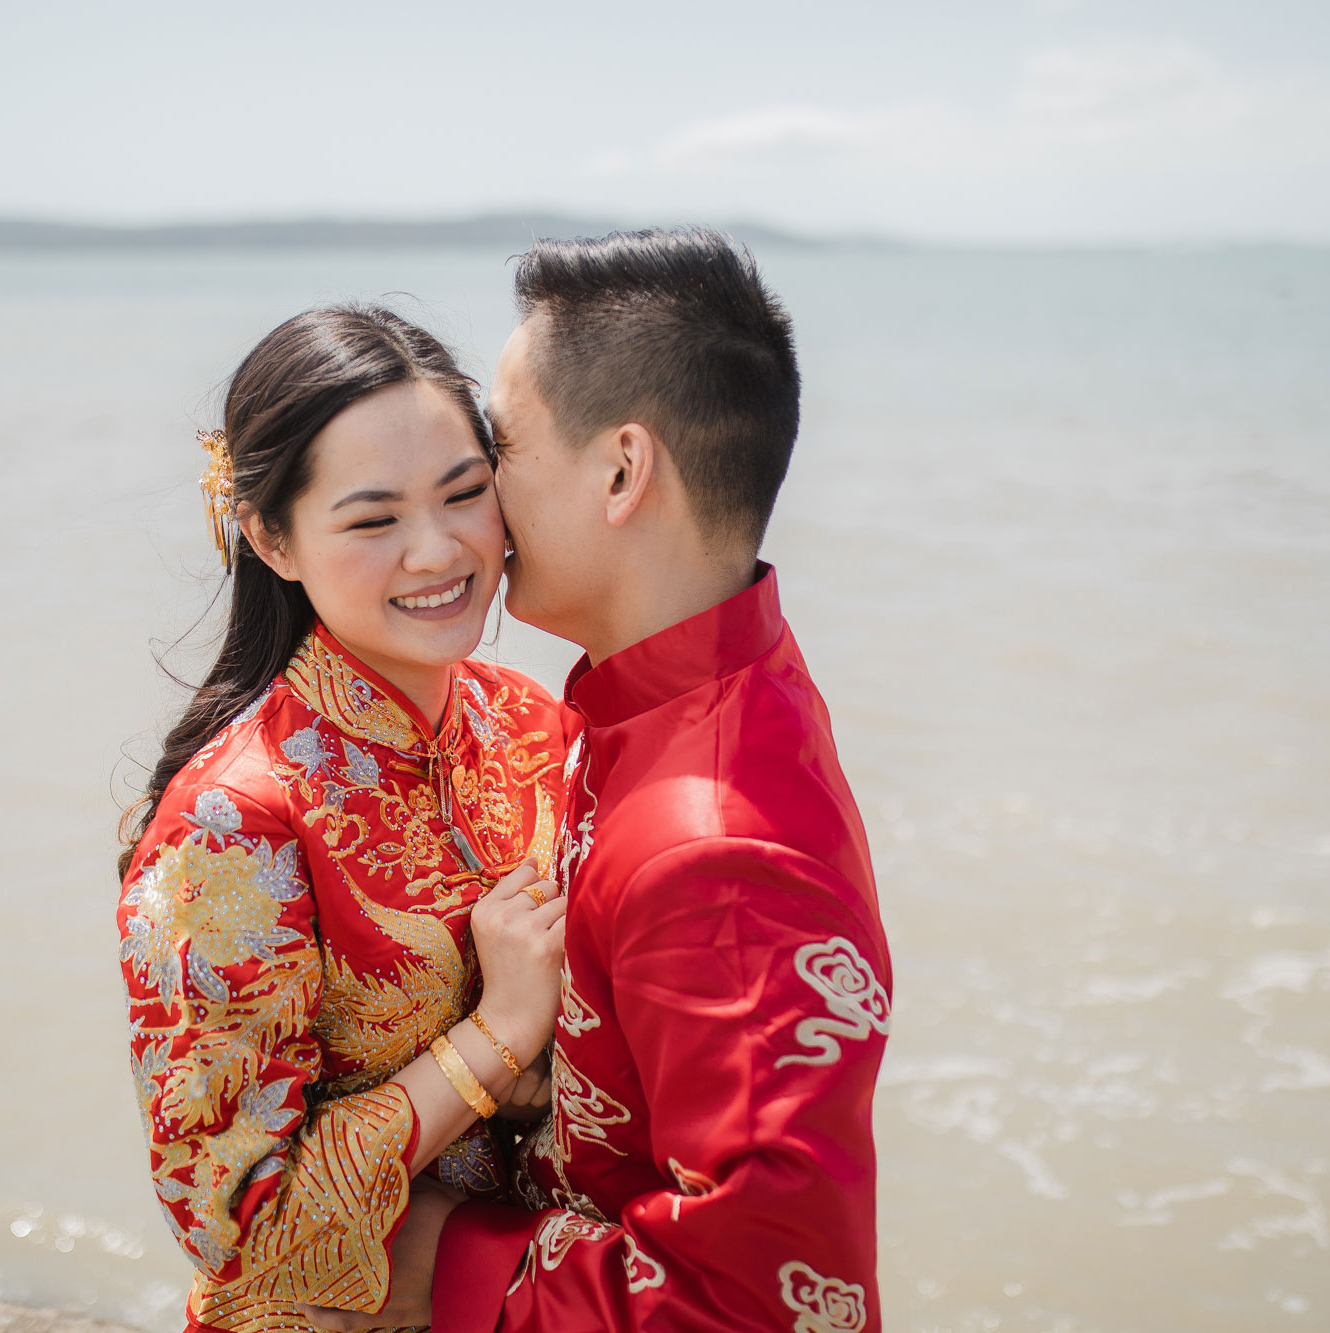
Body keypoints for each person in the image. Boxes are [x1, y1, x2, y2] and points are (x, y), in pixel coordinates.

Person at [323, 227, 893, 1331]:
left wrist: (451, 1257)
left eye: (501, 447)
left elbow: (755, 1309)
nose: (478, 490)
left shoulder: (716, 847)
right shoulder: (688, 693)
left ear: (622, 470)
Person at [115, 305, 573, 1333]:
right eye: (373, 520)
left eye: (464, 494)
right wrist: (497, 1036)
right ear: (271, 537)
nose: (436, 550)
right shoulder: (231, 824)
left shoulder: (536, 724)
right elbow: (241, 1236)